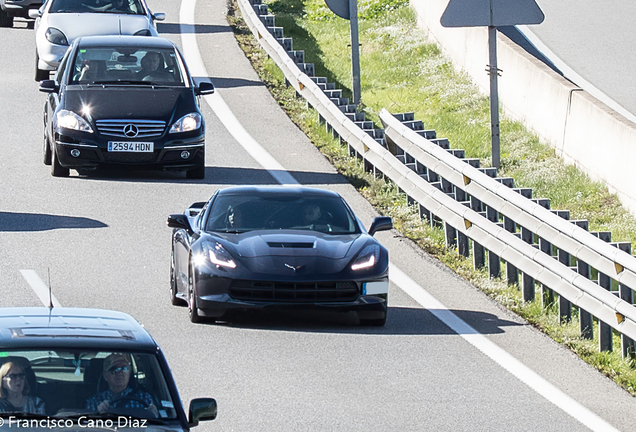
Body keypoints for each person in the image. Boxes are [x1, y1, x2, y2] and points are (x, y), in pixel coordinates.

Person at [86, 353, 157, 415]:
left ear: (129, 373)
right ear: (105, 376)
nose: (120, 373)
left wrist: (154, 414)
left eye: (124, 368)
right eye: (114, 370)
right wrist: (98, 414)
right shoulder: (94, 402)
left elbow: (153, 425)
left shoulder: (144, 398)